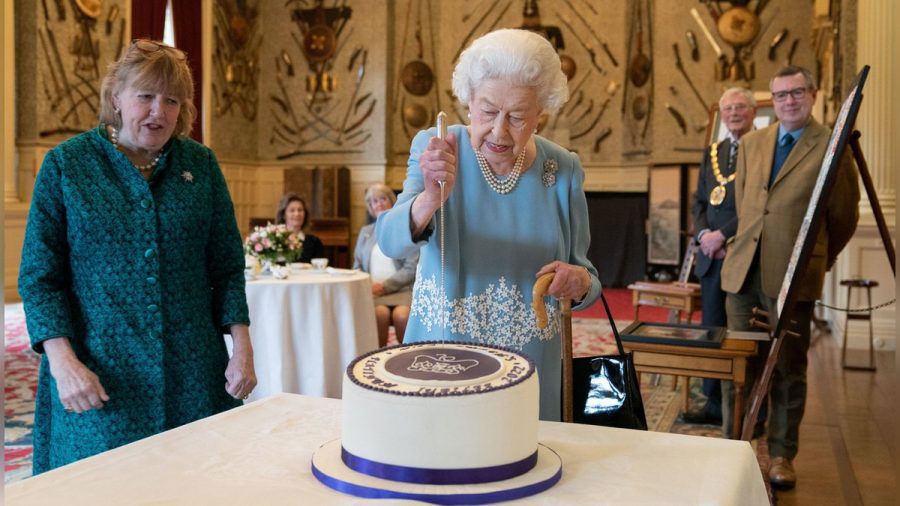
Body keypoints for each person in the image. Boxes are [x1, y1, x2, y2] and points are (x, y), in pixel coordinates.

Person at [18, 40, 257, 474]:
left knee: (194, 483)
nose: (158, 112)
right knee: (104, 486)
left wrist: (242, 348)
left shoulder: (199, 164)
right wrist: (63, 362)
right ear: (116, 97)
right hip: (101, 373)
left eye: (171, 100)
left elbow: (225, 266)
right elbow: (39, 277)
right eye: (145, 96)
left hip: (193, 372)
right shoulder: (67, 165)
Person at [375, 29, 602, 421]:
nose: (499, 130)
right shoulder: (436, 146)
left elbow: (589, 278)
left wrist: (578, 281)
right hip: (443, 359)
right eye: (487, 111)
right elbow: (390, 242)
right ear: (467, 103)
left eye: (516, 117)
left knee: (525, 470)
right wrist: (430, 198)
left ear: (539, 114)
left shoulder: (562, 168)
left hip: (531, 367)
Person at [720, 65, 860, 489]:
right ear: (772, 102)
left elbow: (844, 218)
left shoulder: (831, 148)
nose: (788, 101)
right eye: (780, 95)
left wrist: (818, 260)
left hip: (792, 279)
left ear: (812, 95)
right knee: (739, 365)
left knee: (787, 370)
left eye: (796, 93)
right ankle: (735, 446)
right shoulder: (754, 143)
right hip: (743, 274)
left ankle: (782, 454)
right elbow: (748, 208)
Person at [684, 87, 757, 426]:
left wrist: (723, 235)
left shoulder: (763, 150)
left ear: (753, 111)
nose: (733, 113)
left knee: (740, 333)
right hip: (711, 256)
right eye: (728, 108)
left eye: (740, 107)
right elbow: (699, 201)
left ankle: (745, 408)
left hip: (743, 255)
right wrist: (703, 235)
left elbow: (757, 207)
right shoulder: (714, 151)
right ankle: (712, 404)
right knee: (711, 329)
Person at [353, 184, 419, 347]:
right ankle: (376, 362)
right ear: (370, 207)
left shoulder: (404, 229)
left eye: (383, 199)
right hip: (373, 292)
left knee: (401, 316)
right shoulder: (366, 232)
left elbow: (411, 268)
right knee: (379, 315)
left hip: (402, 290)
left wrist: (384, 287)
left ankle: (409, 360)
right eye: (374, 201)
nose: (379, 204)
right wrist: (367, 286)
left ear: (392, 201)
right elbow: (357, 266)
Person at [274, 192, 325, 263]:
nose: (297, 214)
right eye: (292, 210)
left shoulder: (314, 242)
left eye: (300, 210)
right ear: (284, 215)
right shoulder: (274, 240)